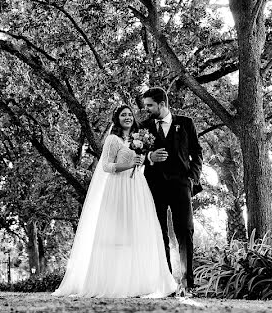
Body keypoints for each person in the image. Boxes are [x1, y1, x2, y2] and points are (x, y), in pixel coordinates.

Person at [54, 104, 178, 298]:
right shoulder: (113, 139)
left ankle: (137, 282)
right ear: (117, 119)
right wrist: (129, 164)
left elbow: (143, 161)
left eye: (130, 114)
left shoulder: (140, 137)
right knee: (117, 235)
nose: (127, 117)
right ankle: (113, 282)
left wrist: (144, 159)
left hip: (137, 187)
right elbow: (105, 166)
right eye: (123, 115)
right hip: (118, 188)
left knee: (137, 232)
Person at [141, 87, 203, 294]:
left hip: (181, 184)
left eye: (150, 105)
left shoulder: (185, 123)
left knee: (185, 230)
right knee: (159, 234)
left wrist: (192, 177)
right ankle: (166, 284)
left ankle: (187, 284)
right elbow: (137, 154)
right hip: (154, 185)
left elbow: (197, 151)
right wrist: (150, 157)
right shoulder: (144, 127)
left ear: (162, 104)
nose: (147, 109)